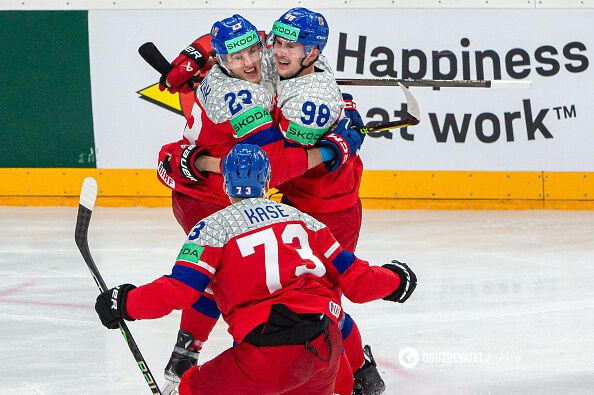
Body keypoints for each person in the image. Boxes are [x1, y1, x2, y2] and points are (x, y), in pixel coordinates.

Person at [95, 144, 417, 395]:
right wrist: (397, 279)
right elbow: (358, 283)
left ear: (225, 185)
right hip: (326, 349)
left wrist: (124, 302)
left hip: (267, 356)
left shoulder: (214, 227)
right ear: (267, 181)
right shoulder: (305, 220)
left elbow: (180, 290)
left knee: (192, 388)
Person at [154, 13, 364, 394]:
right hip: (213, 196)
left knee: (277, 288)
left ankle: (189, 355)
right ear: (221, 61)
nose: (252, 61)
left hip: (233, 186)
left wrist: (195, 51)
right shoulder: (239, 96)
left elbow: (248, 39)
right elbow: (274, 167)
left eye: (255, 50)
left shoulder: (266, 55)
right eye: (235, 57)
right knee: (235, 285)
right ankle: (204, 358)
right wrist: (334, 148)